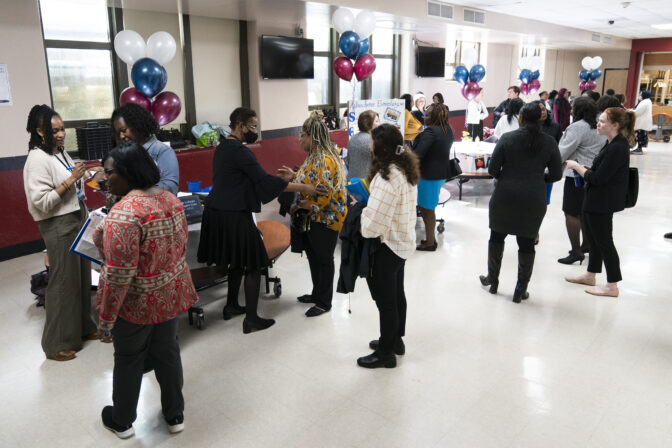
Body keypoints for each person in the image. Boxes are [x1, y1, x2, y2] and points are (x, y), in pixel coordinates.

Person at [94, 143, 199, 439]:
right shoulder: (170, 199)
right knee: (167, 352)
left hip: (136, 303)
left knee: (128, 358)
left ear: (127, 173)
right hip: (169, 295)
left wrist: (105, 318)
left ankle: (123, 420)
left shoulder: (124, 214)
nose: (106, 179)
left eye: (109, 173)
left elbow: (118, 275)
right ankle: (174, 413)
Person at [198, 107, 325, 332]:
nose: (255, 131)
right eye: (253, 126)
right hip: (234, 214)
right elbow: (264, 182)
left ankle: (231, 306)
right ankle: (251, 319)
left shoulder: (222, 148)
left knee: (236, 260)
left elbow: (245, 179)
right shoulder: (240, 151)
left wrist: (283, 180)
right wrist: (307, 187)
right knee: (254, 263)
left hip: (216, 211)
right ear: (240, 125)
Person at [23, 104, 100, 362]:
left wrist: (87, 175)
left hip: (76, 218)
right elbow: (42, 202)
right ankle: (56, 343)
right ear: (39, 131)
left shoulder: (59, 154)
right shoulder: (36, 159)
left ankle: (83, 328)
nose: (60, 134)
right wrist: (70, 180)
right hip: (57, 224)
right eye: (53, 130)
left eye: (62, 128)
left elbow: (72, 179)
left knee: (80, 278)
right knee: (61, 283)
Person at [479, 103, 562, 303]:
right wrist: (538, 180)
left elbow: (492, 169)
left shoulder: (507, 139)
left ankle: (493, 281)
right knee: (526, 243)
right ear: (540, 119)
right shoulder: (549, 142)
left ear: (521, 118)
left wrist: (506, 177)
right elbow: (557, 174)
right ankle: (520, 289)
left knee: (496, 237)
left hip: (505, 194)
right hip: (533, 197)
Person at [357, 124, 419, 369]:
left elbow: (372, 227)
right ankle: (395, 341)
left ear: (379, 146)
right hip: (402, 242)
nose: (369, 144)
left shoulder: (386, 178)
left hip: (388, 246)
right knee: (396, 295)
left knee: (386, 302)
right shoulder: (404, 168)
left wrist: (361, 210)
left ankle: (385, 354)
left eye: (371, 141)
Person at [278, 111, 348, 317]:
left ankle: (324, 302)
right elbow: (310, 179)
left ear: (313, 136)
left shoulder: (326, 159)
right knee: (313, 257)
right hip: (314, 217)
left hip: (326, 218)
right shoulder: (315, 156)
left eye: (303, 135)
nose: (300, 139)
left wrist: (299, 206)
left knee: (324, 259)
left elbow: (323, 195)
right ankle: (317, 293)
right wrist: (294, 175)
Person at [565, 107, 633, 297]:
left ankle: (612, 285)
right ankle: (590, 274)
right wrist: (586, 168)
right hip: (596, 199)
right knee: (595, 240)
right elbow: (601, 171)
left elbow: (597, 179)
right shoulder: (611, 143)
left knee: (604, 242)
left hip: (602, 201)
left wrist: (578, 167)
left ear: (615, 125)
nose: (598, 124)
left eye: (603, 121)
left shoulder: (618, 147)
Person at [556, 97, 606, 264]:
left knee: (571, 212)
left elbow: (563, 151)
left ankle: (576, 251)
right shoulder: (599, 125)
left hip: (576, 175)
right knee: (585, 211)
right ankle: (586, 244)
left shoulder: (577, 127)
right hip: (593, 173)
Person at [111, 103, 179, 195]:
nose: (121, 136)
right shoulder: (123, 154)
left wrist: (140, 193)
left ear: (138, 125)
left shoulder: (161, 150)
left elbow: (171, 186)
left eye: (124, 130)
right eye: (118, 133)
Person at [412, 104, 454, 251]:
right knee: (428, 207)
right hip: (440, 173)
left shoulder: (431, 132)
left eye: (427, 114)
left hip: (428, 175)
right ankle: (430, 239)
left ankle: (430, 242)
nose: (425, 116)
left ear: (433, 117)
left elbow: (417, 154)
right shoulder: (447, 130)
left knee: (426, 209)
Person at [345, 110, 378, 179]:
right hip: (367, 183)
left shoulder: (352, 139)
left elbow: (348, 162)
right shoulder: (373, 141)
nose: (378, 124)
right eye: (376, 121)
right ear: (369, 124)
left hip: (352, 182)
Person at [631, 90, 653, 154]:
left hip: (642, 123)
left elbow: (638, 111)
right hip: (643, 122)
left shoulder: (644, 102)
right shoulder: (647, 101)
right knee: (641, 136)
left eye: (640, 94)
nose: (639, 96)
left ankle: (639, 149)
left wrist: (630, 111)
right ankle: (638, 148)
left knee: (640, 136)